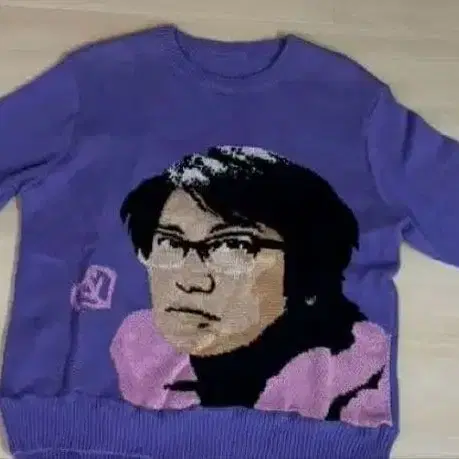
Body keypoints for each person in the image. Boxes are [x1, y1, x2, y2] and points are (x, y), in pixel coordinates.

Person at [110, 145, 391, 426]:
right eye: (170, 242)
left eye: (233, 246)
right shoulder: (141, 350)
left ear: (308, 268)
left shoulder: (361, 383)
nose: (189, 280)